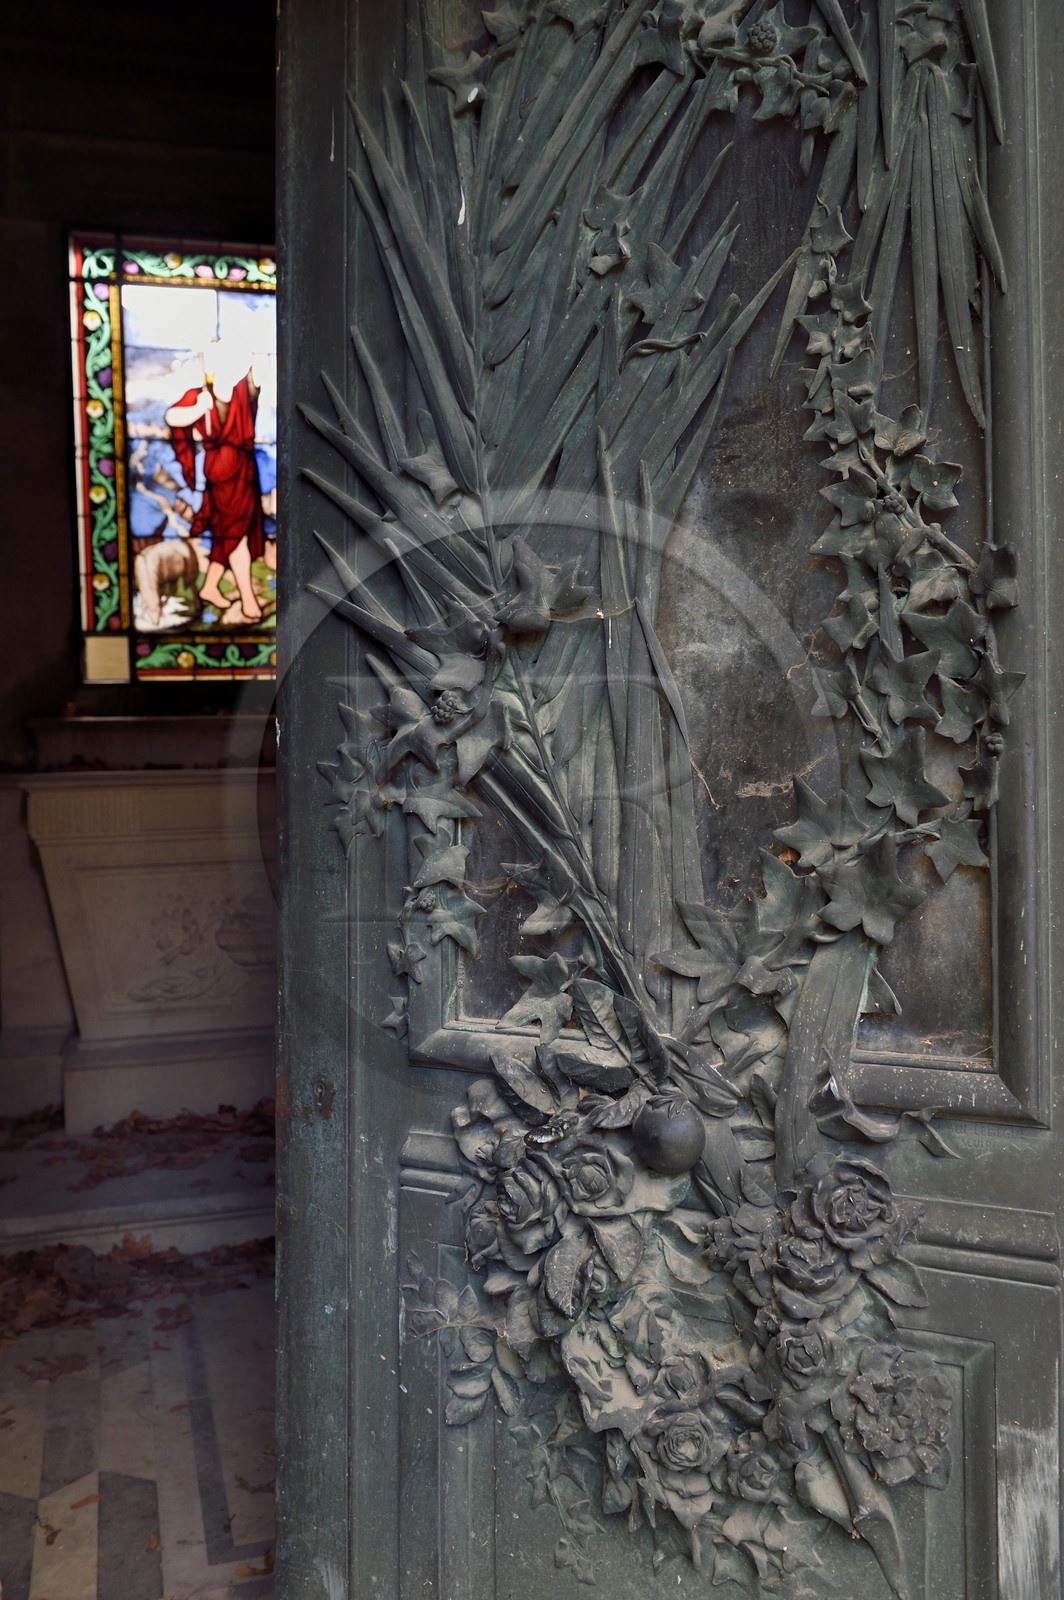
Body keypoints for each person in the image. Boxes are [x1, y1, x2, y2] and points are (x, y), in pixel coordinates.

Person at [165, 344, 265, 622]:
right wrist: (198, 409)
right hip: (221, 474)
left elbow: (258, 376)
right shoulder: (200, 395)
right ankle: (248, 602)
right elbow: (172, 417)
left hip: (245, 471)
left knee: (230, 533)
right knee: (236, 534)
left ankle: (209, 587)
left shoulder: (243, 392)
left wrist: (260, 348)